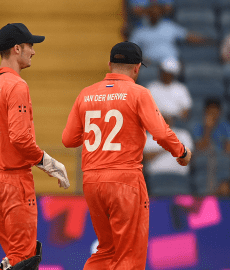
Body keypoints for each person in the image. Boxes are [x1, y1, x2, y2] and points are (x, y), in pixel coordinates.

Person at [62, 41, 191, 269]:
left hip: (91, 180)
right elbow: (160, 132)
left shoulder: (86, 94)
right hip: (125, 181)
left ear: (110, 64)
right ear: (137, 68)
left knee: (106, 250)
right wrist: (181, 152)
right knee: (130, 254)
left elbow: (68, 140)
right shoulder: (139, 93)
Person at [0, 23, 70, 270]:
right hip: (14, 183)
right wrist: (48, 163)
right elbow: (20, 139)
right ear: (17, 48)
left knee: (14, 256)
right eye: (30, 46)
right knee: (24, 259)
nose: (33, 51)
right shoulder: (17, 85)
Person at [129, 2, 208, 64]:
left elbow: (188, 36)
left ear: (161, 13)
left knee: (172, 65)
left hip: (168, 60)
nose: (154, 14)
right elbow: (131, 48)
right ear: (147, 13)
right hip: (148, 62)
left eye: (157, 12)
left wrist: (207, 40)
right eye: (152, 11)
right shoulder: (139, 31)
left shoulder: (169, 26)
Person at [192, 98, 230, 195]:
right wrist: (208, 129)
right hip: (205, 161)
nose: (213, 114)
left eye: (216, 111)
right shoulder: (198, 127)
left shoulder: (225, 127)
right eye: (210, 111)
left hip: (221, 164)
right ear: (205, 112)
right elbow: (200, 148)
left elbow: (228, 150)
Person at [145, 58, 191, 122]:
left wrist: (173, 118)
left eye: (168, 73)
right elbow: (145, 109)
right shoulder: (151, 87)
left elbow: (186, 111)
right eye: (164, 72)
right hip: (156, 122)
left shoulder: (181, 89)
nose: (166, 75)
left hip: (176, 124)